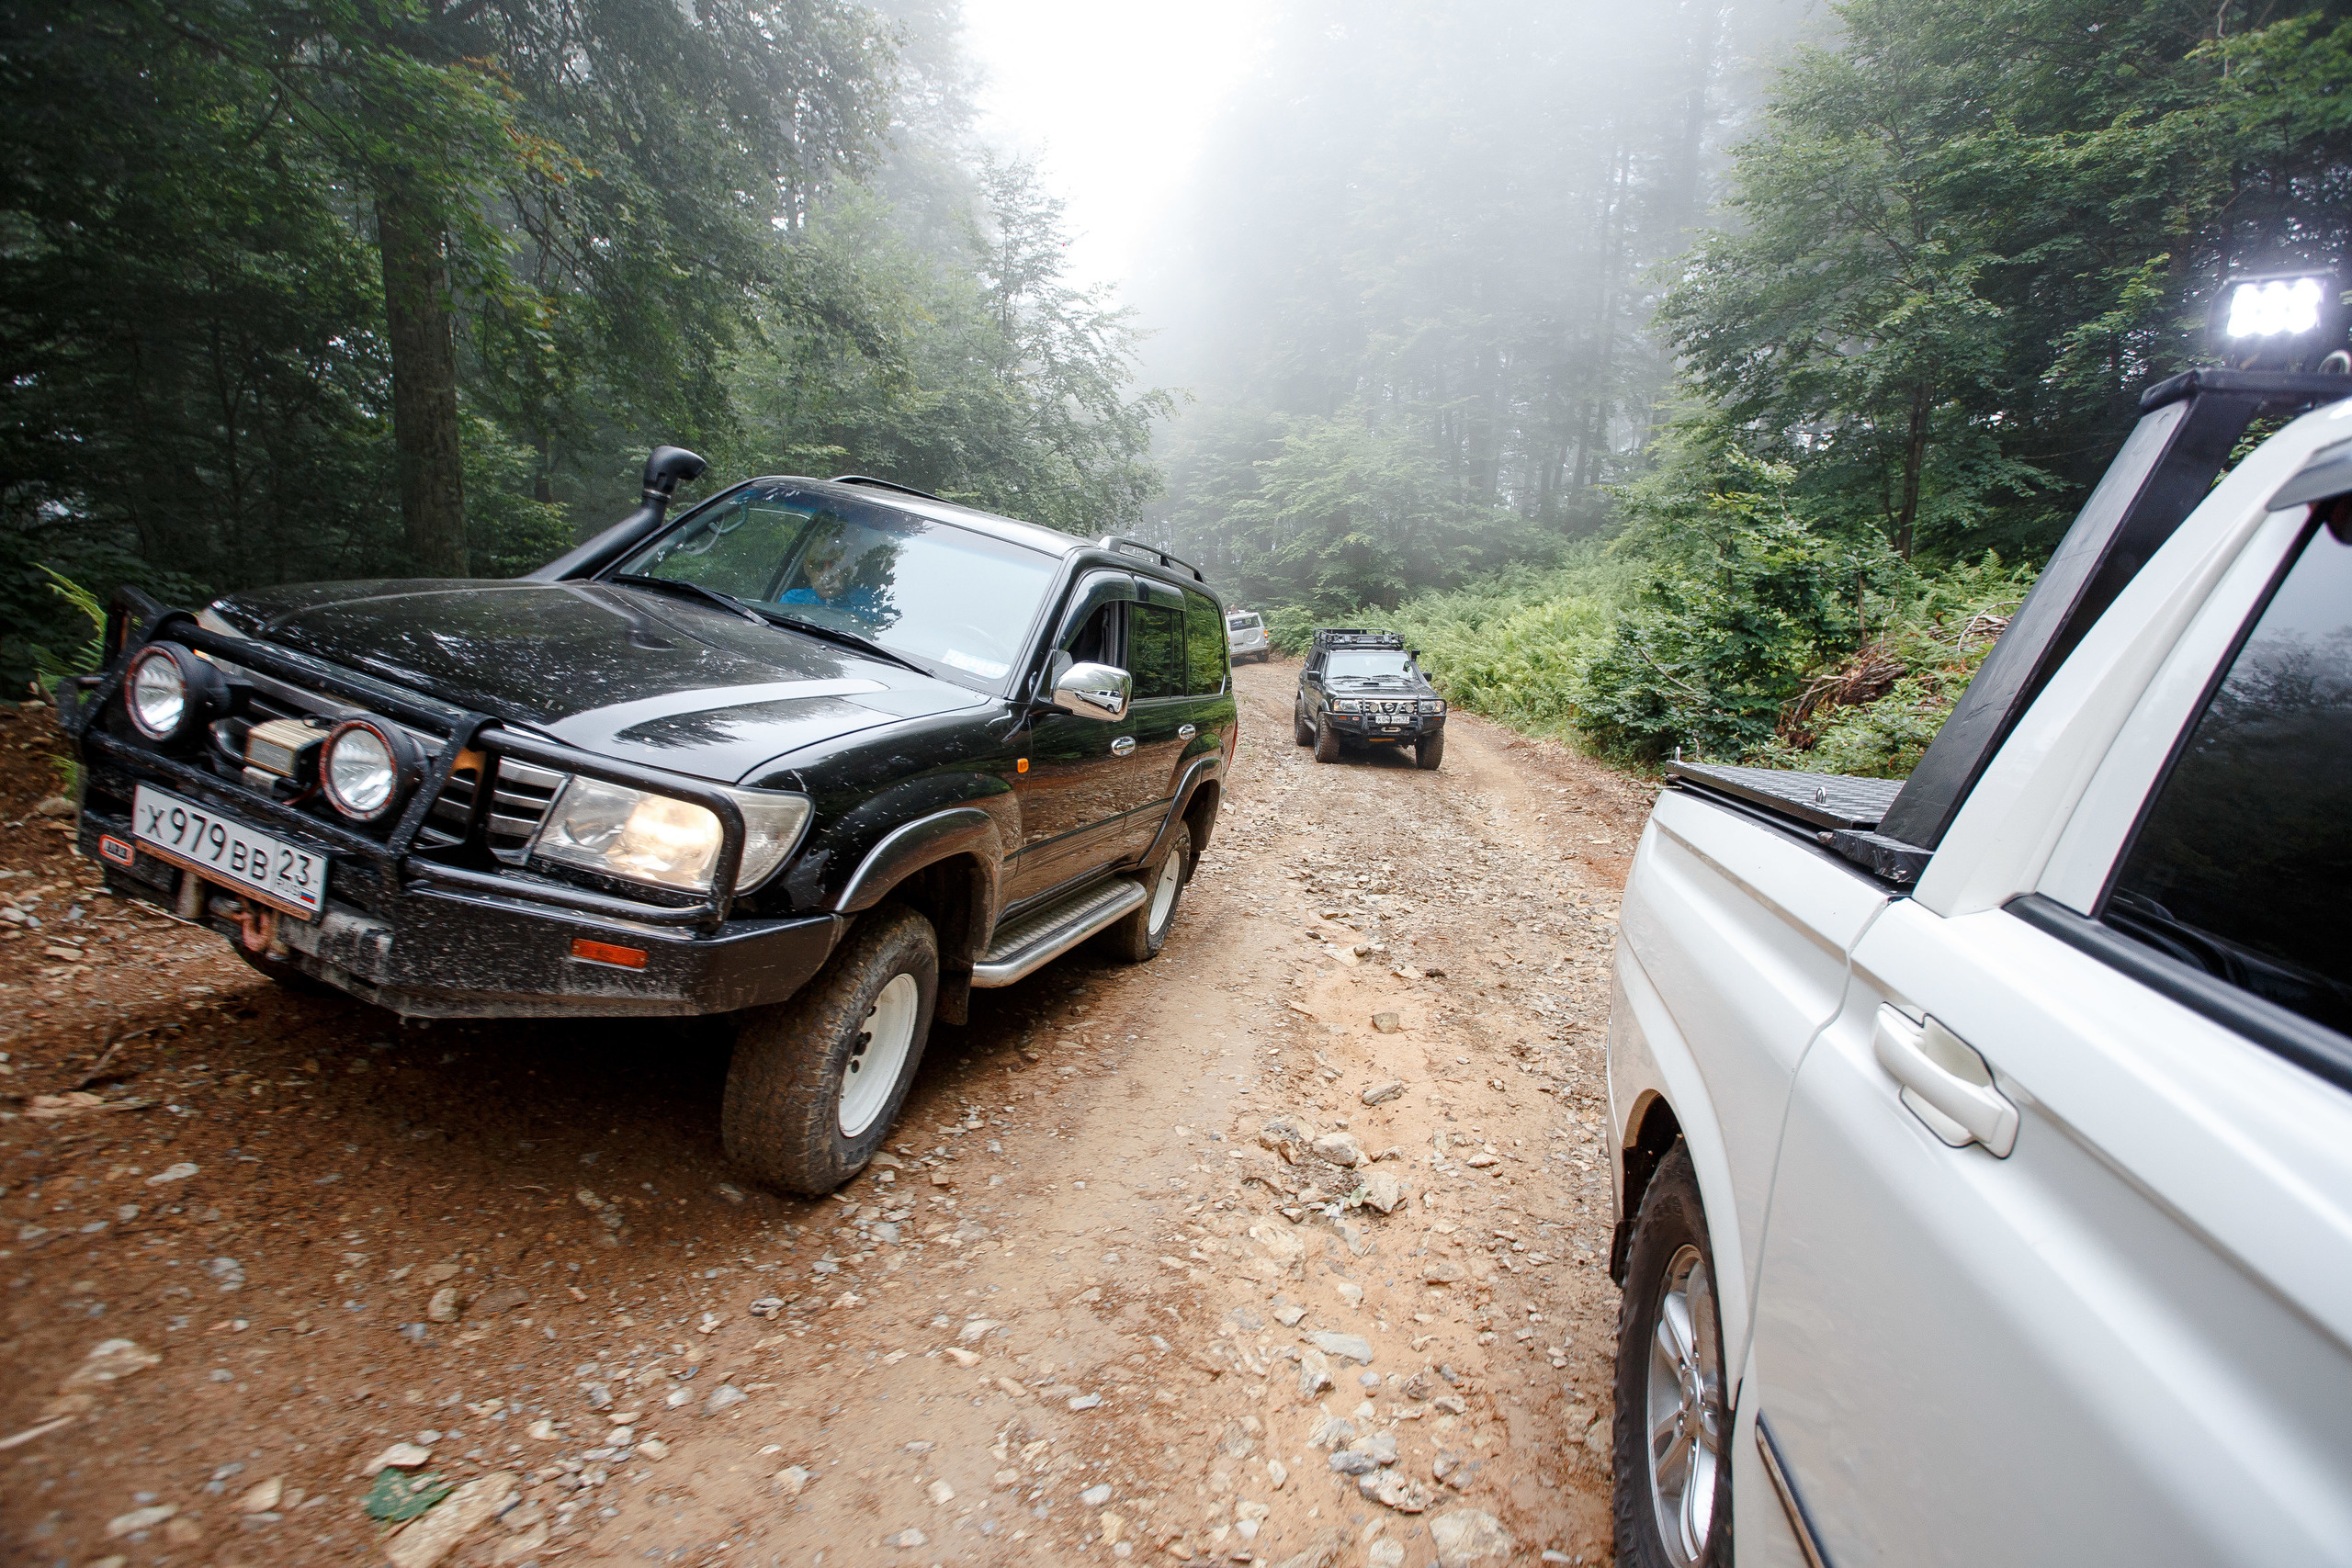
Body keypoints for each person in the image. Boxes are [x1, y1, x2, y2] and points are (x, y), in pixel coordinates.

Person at [778, 521, 890, 622]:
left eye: (835, 565)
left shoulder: (869, 604)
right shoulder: (792, 600)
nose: (827, 576)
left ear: (849, 569)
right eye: (819, 565)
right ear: (807, 569)